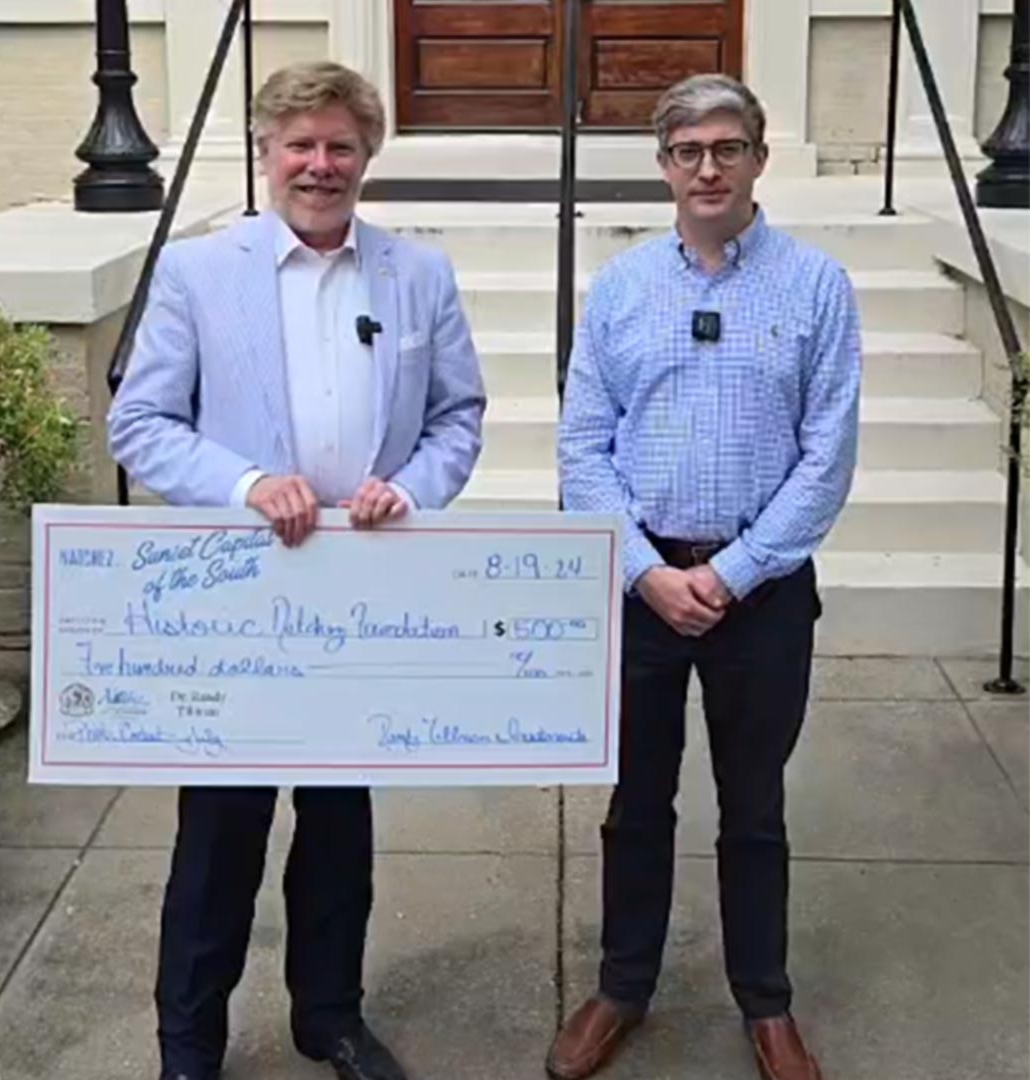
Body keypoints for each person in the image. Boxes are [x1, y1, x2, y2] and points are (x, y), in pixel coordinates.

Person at [108, 61, 485, 1080]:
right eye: (301, 145)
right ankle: (189, 1043)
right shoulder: (198, 273)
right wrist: (243, 484)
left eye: (341, 146)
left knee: (339, 824)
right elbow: (140, 424)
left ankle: (331, 1016)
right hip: (242, 593)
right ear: (266, 153)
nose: (321, 165)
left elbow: (457, 418)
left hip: (359, 595)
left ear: (368, 157)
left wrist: (411, 487)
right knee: (219, 837)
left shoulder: (419, 275)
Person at [548, 74, 861, 1080]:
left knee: (754, 804)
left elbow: (829, 456)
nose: (708, 167)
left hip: (761, 596)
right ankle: (622, 986)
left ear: (760, 159)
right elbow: (582, 450)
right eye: (688, 152)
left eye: (728, 148)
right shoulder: (624, 288)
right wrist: (645, 572)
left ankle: (765, 1004)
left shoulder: (816, 286)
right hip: (641, 589)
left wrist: (731, 572)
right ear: (664, 167)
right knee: (635, 803)